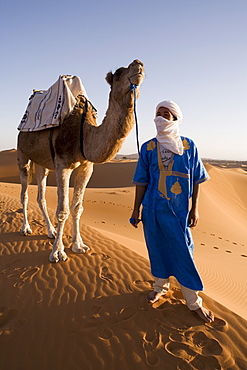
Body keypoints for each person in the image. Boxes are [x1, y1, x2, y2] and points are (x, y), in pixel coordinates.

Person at [130, 100, 214, 323]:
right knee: (156, 249)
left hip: (178, 212)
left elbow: (197, 179)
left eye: (167, 114)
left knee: (183, 252)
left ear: (175, 119)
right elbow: (141, 181)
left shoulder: (188, 146)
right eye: (158, 113)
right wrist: (135, 209)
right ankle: (160, 287)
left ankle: (194, 302)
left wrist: (194, 208)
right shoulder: (148, 147)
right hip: (152, 210)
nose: (161, 117)